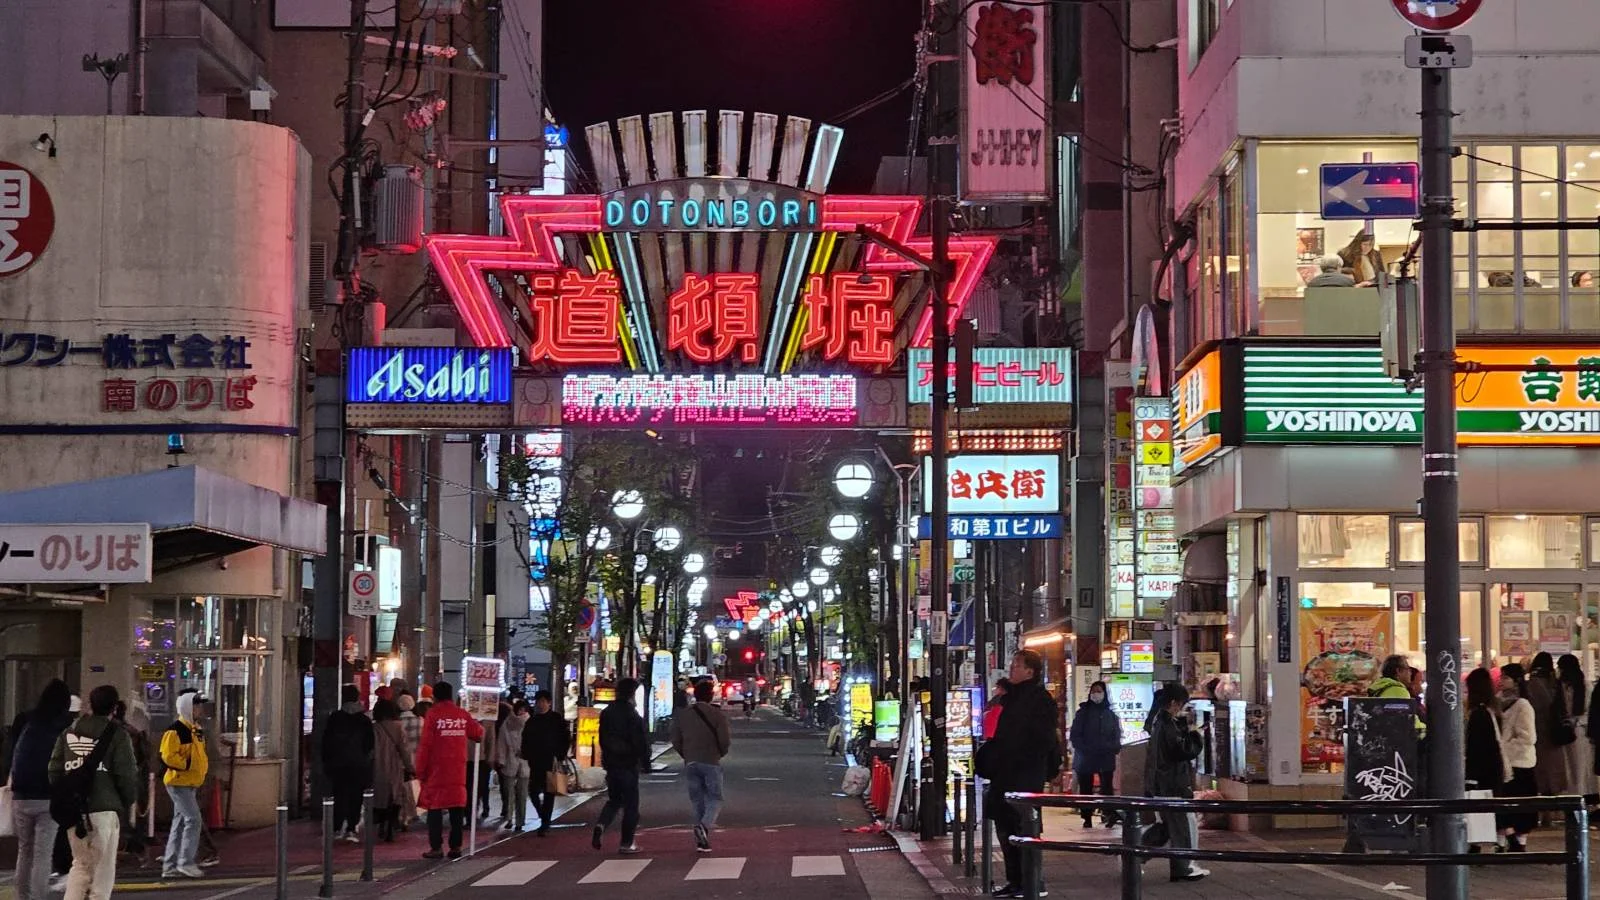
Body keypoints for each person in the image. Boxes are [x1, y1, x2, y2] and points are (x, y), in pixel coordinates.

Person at [979, 651, 1061, 899]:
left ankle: (1033, 882)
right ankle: (1016, 881)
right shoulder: (1010, 698)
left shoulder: (1039, 699)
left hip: (1025, 776)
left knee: (1024, 829)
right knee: (1007, 831)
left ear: (1030, 671)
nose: (1012, 669)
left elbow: (1044, 740)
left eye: (1017, 665)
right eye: (1012, 664)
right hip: (1005, 775)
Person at [50, 685, 138, 900]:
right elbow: (126, 775)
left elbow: (54, 769)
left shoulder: (69, 731)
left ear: (90, 704)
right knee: (102, 873)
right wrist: (127, 802)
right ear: (115, 708)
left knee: (80, 865)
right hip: (105, 810)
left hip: (74, 811)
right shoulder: (117, 735)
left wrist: (67, 791)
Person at [8, 680, 73, 900]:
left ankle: (21, 896)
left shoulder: (26, 719)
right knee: (42, 853)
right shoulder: (64, 724)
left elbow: (11, 751)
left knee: (24, 850)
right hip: (48, 797)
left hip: (21, 795)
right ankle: (38, 897)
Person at [1146, 683, 1209, 883]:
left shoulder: (1159, 721)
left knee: (1166, 827)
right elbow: (1182, 751)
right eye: (1181, 704)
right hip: (1172, 784)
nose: (1181, 709)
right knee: (1183, 826)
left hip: (1161, 784)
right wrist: (1195, 734)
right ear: (1173, 703)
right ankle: (1185, 867)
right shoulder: (1166, 724)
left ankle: (1133, 852)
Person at [416, 682, 483, 860]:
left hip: (436, 771)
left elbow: (425, 746)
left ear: (434, 697)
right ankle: (456, 846)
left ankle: (436, 848)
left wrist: (420, 771)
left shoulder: (433, 715)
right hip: (458, 770)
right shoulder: (462, 714)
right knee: (456, 810)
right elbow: (477, 732)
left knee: (435, 810)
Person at [670, 679, 731, 852]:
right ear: (711, 696)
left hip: (690, 761)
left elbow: (675, 739)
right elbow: (725, 740)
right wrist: (719, 752)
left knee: (697, 800)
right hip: (711, 760)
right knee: (715, 797)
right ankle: (703, 827)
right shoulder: (717, 714)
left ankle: (701, 841)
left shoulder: (684, 715)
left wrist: (686, 754)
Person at [591, 677, 649, 855]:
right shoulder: (633, 715)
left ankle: (602, 824)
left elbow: (602, 738)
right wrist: (645, 762)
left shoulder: (607, 712)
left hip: (611, 763)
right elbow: (641, 742)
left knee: (614, 800)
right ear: (632, 694)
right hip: (628, 764)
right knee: (631, 805)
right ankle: (626, 843)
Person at [159, 691, 209, 879]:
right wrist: (187, 765)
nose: (200, 709)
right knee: (193, 819)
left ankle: (170, 865)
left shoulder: (194, 729)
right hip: (179, 782)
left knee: (180, 822)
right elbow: (168, 755)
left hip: (188, 782)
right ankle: (185, 862)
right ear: (188, 708)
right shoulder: (177, 730)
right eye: (197, 706)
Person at [323, 684, 375, 843]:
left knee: (339, 795)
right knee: (355, 796)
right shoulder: (364, 720)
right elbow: (369, 744)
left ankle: (337, 827)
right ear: (357, 698)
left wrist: (327, 762)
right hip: (359, 765)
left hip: (338, 765)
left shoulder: (335, 718)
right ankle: (352, 828)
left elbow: (326, 743)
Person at [1069, 680, 1122, 828]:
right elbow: (1075, 735)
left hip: (1105, 755)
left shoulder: (1110, 715)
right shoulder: (1083, 713)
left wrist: (1113, 747)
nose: (1096, 694)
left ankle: (1108, 814)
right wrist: (1084, 748)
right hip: (1086, 756)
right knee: (1086, 787)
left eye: (1099, 691)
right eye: (1094, 691)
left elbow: (1116, 734)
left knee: (1107, 788)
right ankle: (1087, 817)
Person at [1496, 664, 1538, 850]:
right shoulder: (1496, 701)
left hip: (1520, 762)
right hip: (1503, 763)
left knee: (1520, 805)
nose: (1501, 680)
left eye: (1506, 677)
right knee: (1503, 804)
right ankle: (1502, 840)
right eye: (1501, 677)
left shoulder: (1523, 705)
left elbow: (1528, 736)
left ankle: (1519, 841)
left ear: (1516, 680)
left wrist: (1505, 746)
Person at [520, 690, 569, 836]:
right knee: (533, 791)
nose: (540, 704)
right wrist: (526, 754)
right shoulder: (532, 721)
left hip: (551, 760)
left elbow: (565, 738)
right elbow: (525, 739)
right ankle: (544, 817)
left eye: (543, 701)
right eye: (538, 702)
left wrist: (560, 755)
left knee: (550, 792)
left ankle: (545, 823)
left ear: (549, 703)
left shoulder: (556, 719)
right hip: (535, 760)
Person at [110, 700, 150, 858]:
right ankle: (132, 842)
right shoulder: (132, 731)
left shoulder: (110, 731)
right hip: (131, 777)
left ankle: (121, 843)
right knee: (125, 813)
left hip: (113, 779)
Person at [1526, 652, 1570, 797]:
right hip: (1555, 731)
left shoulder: (1532, 683)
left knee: (1542, 770)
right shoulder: (1555, 683)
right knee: (1554, 768)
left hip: (1539, 730)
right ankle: (1555, 804)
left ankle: (1545, 808)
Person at [370, 699, 414, 842]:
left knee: (380, 796)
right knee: (395, 795)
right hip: (395, 766)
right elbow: (405, 750)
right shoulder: (398, 726)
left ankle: (381, 822)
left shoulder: (374, 727)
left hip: (377, 766)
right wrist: (410, 766)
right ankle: (392, 823)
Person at [1555, 654, 1596, 805]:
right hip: (1567, 731)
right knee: (1570, 767)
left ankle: (1582, 797)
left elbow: (1589, 711)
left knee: (1580, 767)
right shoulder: (1561, 686)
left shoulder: (1584, 685)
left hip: (1580, 731)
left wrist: (1576, 722)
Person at [497, 700, 531, 831]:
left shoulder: (529, 723)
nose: (521, 712)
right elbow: (501, 742)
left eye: (524, 709)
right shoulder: (508, 723)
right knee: (509, 792)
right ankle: (509, 818)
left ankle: (520, 821)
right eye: (519, 709)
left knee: (521, 794)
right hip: (510, 761)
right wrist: (501, 759)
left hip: (524, 762)